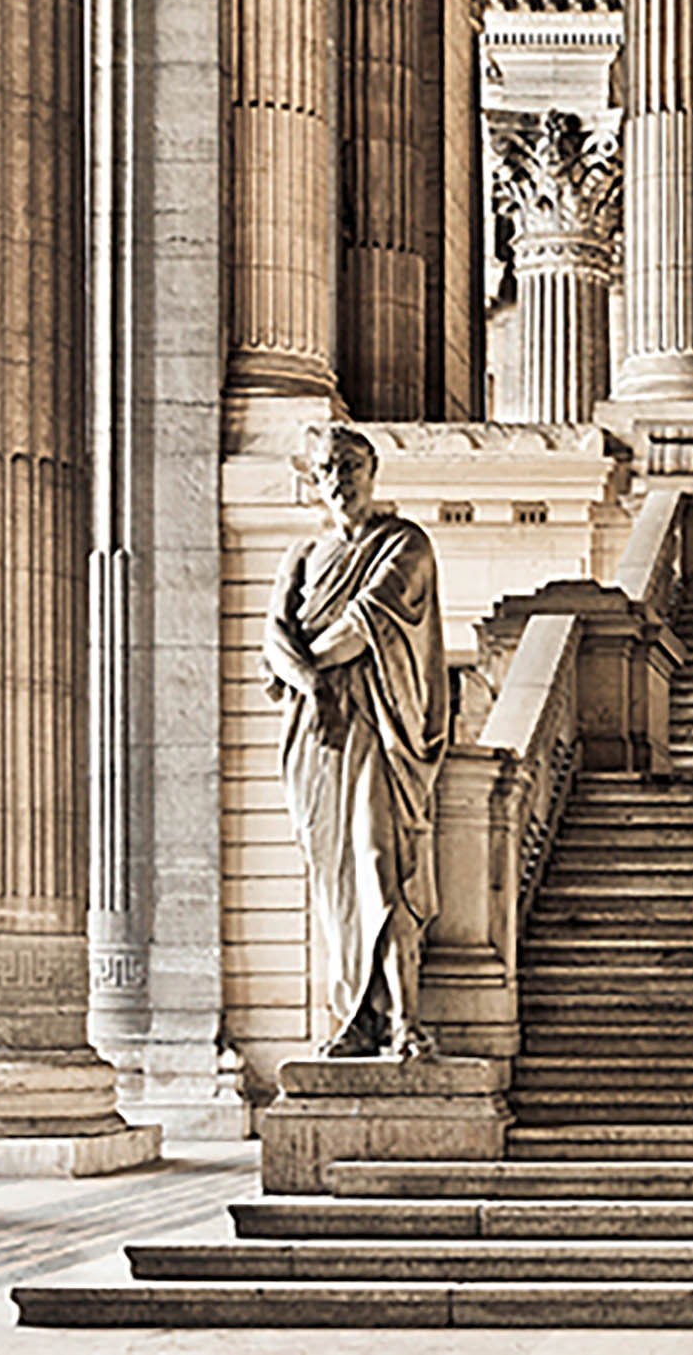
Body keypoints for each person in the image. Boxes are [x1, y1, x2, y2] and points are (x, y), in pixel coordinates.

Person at [262, 425, 449, 1060]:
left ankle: (404, 1022)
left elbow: (363, 622)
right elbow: (272, 639)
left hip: (374, 723)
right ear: (313, 480)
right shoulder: (301, 557)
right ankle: (353, 1019)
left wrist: (310, 671)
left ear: (372, 472)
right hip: (316, 737)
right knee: (333, 883)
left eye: (349, 465)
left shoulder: (405, 544)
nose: (338, 478)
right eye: (325, 468)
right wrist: (311, 683)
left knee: (377, 866)